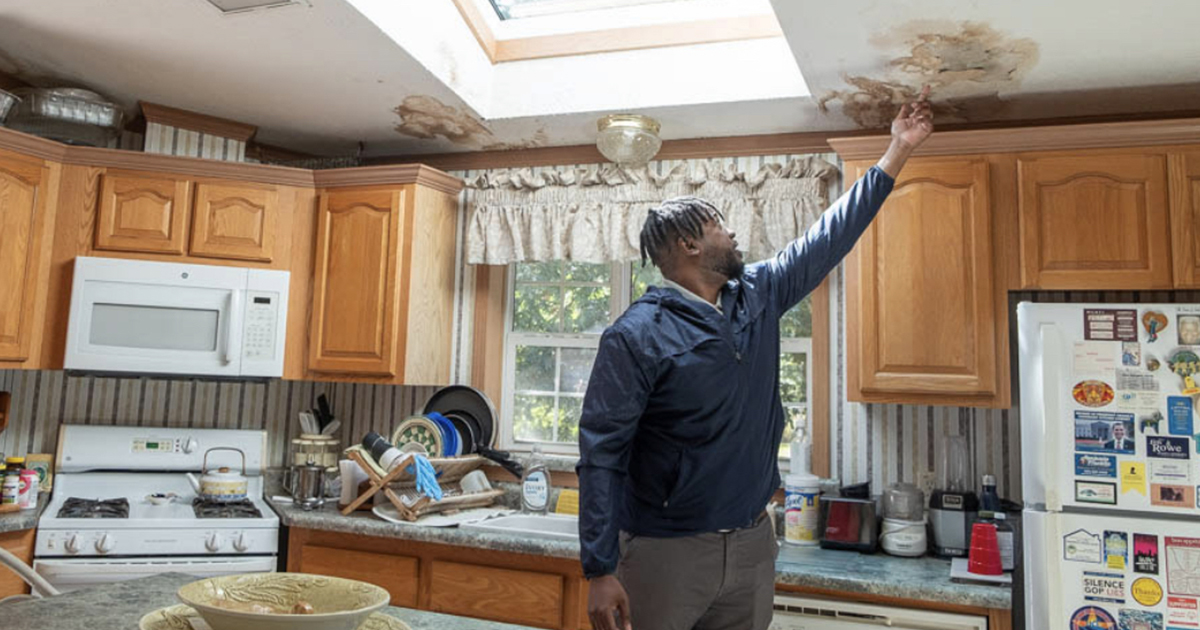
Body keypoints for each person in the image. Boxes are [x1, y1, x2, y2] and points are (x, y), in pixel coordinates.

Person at [576, 87, 935, 630]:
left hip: (752, 542)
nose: (734, 232)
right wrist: (599, 568)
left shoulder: (758, 293)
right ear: (689, 245)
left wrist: (897, 152)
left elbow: (829, 237)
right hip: (666, 552)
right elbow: (601, 455)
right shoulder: (636, 336)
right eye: (720, 223)